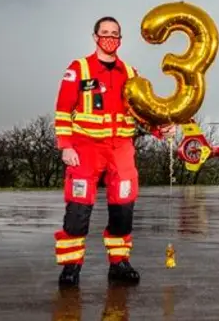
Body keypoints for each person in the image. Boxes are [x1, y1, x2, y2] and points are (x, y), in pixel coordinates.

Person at [53, 16, 176, 287]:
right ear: (95, 36)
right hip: (85, 149)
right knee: (77, 211)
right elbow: (62, 111)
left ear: (121, 39)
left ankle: (119, 263)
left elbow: (142, 114)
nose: (110, 37)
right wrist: (65, 147)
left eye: (115, 33)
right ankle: (71, 267)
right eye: (105, 32)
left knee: (123, 209)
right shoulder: (79, 68)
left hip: (121, 149)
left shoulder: (131, 74)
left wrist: (160, 129)